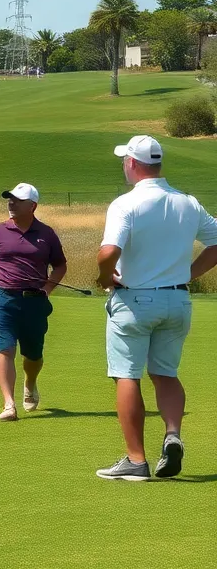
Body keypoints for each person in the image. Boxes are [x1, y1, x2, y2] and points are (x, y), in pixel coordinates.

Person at [95, 136, 217, 481]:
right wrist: (188, 274)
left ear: (132, 163)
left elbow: (108, 252)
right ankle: (173, 434)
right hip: (177, 301)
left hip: (135, 301)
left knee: (127, 374)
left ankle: (136, 460)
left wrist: (107, 276)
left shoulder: (125, 204)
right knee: (165, 373)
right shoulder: (188, 203)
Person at [0, 183, 67, 422]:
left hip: (34, 302)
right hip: (2, 299)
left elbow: (60, 264)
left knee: (33, 355)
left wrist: (48, 288)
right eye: (10, 199)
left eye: (17, 200)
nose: (11, 203)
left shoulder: (46, 233)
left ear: (33, 206)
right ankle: (9, 404)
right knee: (4, 347)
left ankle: (30, 382)